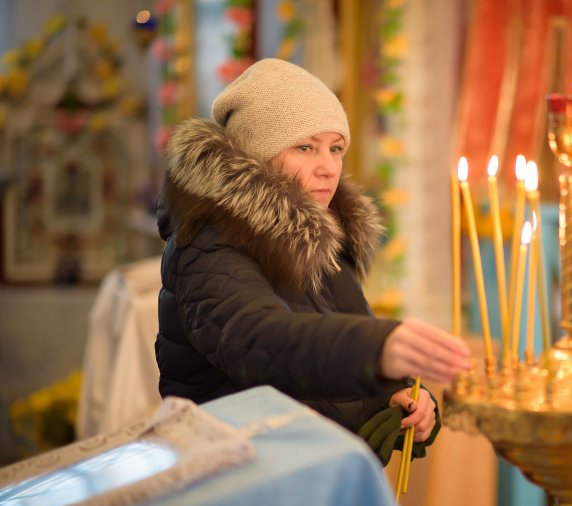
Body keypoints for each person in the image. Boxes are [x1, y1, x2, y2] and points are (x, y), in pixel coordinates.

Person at [155, 58, 470, 461]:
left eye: (336, 148)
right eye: (305, 147)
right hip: (235, 474)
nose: (329, 168)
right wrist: (378, 350)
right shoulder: (209, 241)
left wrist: (400, 394)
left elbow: (332, 362)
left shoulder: (316, 234)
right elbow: (261, 342)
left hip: (307, 468)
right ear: (256, 152)